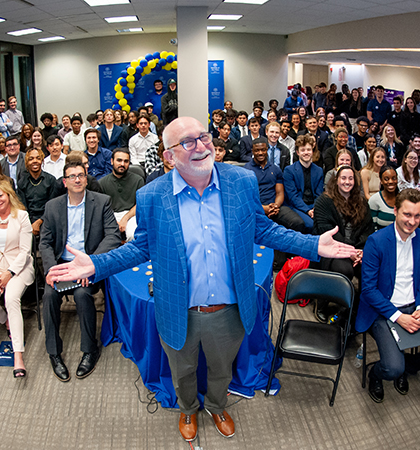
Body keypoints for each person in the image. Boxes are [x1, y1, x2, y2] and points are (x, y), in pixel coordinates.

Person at [47, 116, 354, 442]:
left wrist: (313, 243)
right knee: (183, 372)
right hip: (178, 309)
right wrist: (95, 265)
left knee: (222, 369)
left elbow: (264, 229)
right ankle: (189, 408)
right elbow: (139, 248)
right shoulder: (152, 196)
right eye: (187, 142)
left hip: (229, 310)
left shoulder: (241, 181)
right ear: (168, 156)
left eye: (203, 137)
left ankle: (218, 405)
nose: (201, 146)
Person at [358, 188, 420, 403]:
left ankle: (408, 365)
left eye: (417, 216)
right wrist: (398, 317)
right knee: (391, 369)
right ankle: (376, 373)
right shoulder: (377, 241)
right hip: (384, 310)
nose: (412, 222)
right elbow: (369, 290)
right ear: (395, 211)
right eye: (407, 215)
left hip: (413, 306)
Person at [39, 161, 122, 381]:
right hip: (62, 266)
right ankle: (54, 352)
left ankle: (89, 350)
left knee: (82, 295)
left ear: (86, 178)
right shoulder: (53, 206)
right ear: (64, 182)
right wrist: (51, 270)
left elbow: (113, 236)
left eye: (81, 175)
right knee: (48, 296)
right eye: (72, 176)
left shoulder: (101, 202)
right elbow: (45, 243)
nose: (77, 179)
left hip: (88, 265)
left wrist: (90, 265)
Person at [0, 181, 35, 378]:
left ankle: (18, 355)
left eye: (0, 196)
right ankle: (6, 320)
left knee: (11, 298)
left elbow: (25, 251)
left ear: (9, 195)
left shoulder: (22, 216)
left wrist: (9, 273)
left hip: (19, 268)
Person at [313, 165, 373, 285]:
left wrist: (360, 251)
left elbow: (368, 229)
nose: (347, 182)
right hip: (332, 248)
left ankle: (358, 303)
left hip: (356, 249)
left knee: (369, 268)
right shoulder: (324, 201)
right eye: (343, 178)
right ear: (336, 180)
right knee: (344, 270)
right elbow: (326, 231)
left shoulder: (361, 202)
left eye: (351, 178)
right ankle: (331, 301)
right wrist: (350, 252)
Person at [245, 138, 306, 233]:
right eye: (257, 150)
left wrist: (276, 206)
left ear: (267, 150)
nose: (260, 153)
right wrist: (263, 208)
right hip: (256, 208)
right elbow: (246, 197)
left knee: (297, 223)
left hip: (276, 207)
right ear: (252, 151)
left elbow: (280, 192)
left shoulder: (275, 169)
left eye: (263, 150)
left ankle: (283, 248)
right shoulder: (246, 170)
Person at [99, 148, 143, 242]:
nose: (122, 164)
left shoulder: (138, 180)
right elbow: (101, 207)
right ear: (111, 161)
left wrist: (125, 218)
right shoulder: (102, 183)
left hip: (131, 214)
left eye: (126, 161)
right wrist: (114, 222)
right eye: (119, 160)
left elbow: (140, 204)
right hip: (111, 215)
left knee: (133, 235)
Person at [283, 134, 323, 232]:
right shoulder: (289, 170)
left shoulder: (319, 170)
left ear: (313, 151)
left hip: (314, 206)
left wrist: (314, 209)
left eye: (308, 150)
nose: (306, 153)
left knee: (326, 224)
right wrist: (308, 210)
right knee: (311, 225)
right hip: (296, 206)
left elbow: (319, 194)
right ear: (297, 152)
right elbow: (293, 197)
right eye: (303, 150)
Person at [18, 148, 61, 236]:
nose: (35, 161)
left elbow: (52, 206)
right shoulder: (22, 182)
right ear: (26, 162)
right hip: (27, 220)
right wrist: (30, 224)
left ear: (42, 160)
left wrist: (39, 221)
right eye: (31, 159)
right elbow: (22, 206)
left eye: (38, 158)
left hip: (47, 219)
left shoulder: (51, 180)